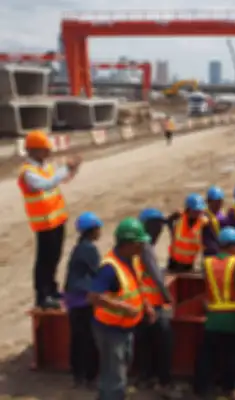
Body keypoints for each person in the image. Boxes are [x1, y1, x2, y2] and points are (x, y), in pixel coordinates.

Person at [88, 217, 155, 400]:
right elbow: (93, 297)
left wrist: (146, 305)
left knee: (120, 368)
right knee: (114, 373)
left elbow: (135, 286)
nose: (143, 248)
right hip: (110, 329)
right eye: (140, 244)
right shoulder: (109, 268)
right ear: (129, 244)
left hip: (125, 327)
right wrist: (122, 307)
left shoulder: (131, 260)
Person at [18, 130, 81, 308]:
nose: (49, 152)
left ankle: (52, 289)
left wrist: (73, 169)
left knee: (54, 257)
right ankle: (42, 295)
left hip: (56, 219)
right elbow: (45, 185)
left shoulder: (45, 167)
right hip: (44, 223)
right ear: (34, 150)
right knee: (44, 260)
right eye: (45, 149)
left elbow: (61, 180)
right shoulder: (28, 172)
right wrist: (65, 168)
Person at [195, 227, 235, 399]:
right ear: (232, 246)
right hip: (234, 319)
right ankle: (228, 387)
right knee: (232, 356)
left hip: (213, 319)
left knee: (208, 355)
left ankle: (203, 387)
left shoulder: (207, 263)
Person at [136, 208, 179, 398]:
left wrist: (169, 221)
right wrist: (167, 296)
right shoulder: (145, 247)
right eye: (157, 225)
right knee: (164, 344)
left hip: (141, 305)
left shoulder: (136, 244)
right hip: (153, 305)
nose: (159, 229)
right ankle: (164, 381)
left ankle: (145, 377)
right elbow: (156, 276)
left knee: (145, 345)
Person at [64, 211, 102, 388]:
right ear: (92, 230)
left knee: (77, 338)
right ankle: (90, 377)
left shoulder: (78, 247)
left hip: (72, 299)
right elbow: (97, 274)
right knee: (90, 339)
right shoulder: (90, 249)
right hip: (84, 300)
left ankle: (77, 376)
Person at [166, 193, 206, 272]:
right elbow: (168, 220)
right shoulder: (179, 217)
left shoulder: (203, 222)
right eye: (195, 210)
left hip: (189, 264)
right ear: (188, 209)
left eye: (199, 210)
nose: (197, 213)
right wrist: (172, 232)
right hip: (174, 262)